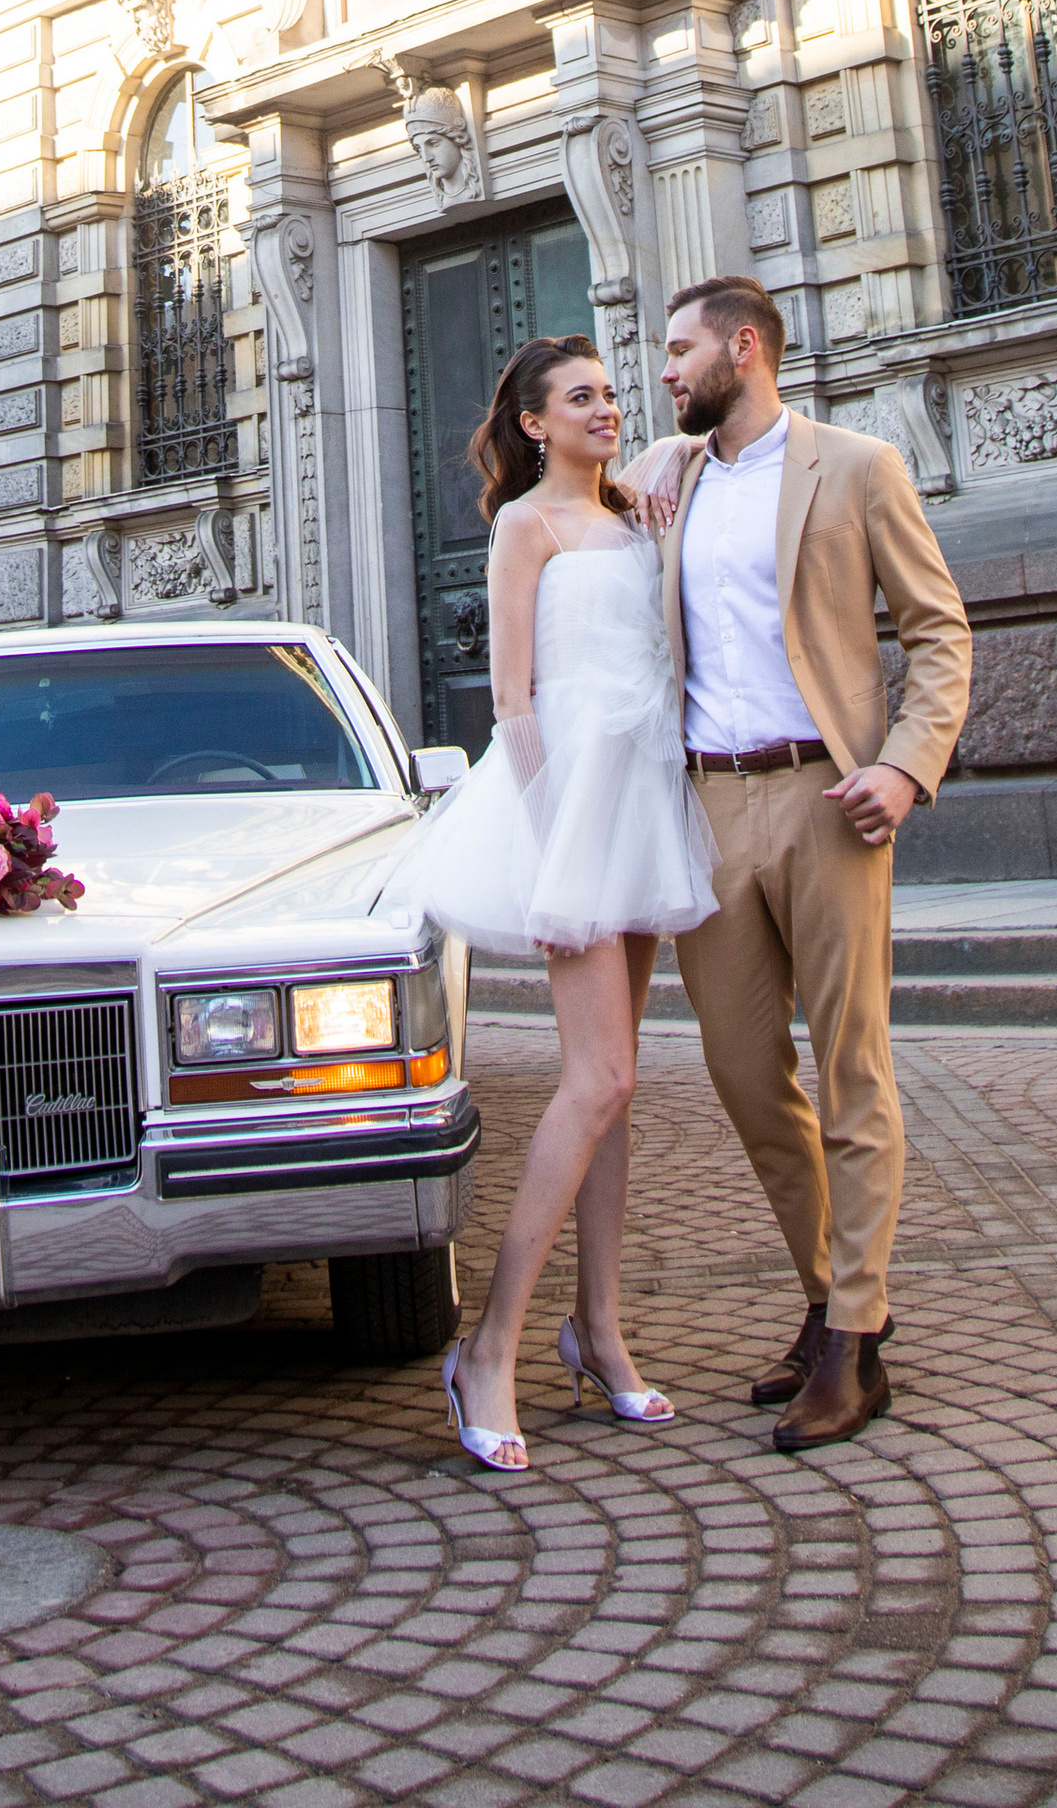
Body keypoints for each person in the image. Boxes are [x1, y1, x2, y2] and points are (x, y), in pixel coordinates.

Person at [635, 279, 971, 1453]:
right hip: (707, 808)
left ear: (744, 348)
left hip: (829, 800)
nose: (665, 371)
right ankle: (827, 1295)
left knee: (851, 1069)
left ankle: (854, 1341)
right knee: (739, 1071)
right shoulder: (664, 481)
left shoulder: (856, 466)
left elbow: (937, 629)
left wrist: (906, 767)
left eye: (679, 351)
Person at [388, 334, 717, 1474]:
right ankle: (490, 1348)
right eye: (581, 398)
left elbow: (702, 439)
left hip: (647, 796)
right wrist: (547, 840)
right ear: (533, 422)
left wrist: (669, 452)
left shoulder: (640, 511)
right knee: (601, 1078)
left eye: (613, 394)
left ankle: (602, 1333)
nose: (605, 410)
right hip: (569, 804)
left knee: (615, 1089)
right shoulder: (523, 526)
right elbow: (513, 700)